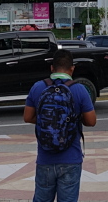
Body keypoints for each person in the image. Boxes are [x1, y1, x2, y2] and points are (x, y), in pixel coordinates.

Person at [23, 49, 96, 202]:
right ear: (72, 69)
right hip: (71, 159)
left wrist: (47, 119)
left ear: (52, 68)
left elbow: (27, 117)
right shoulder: (79, 90)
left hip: (45, 158)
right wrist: (70, 118)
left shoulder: (37, 87)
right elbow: (91, 121)